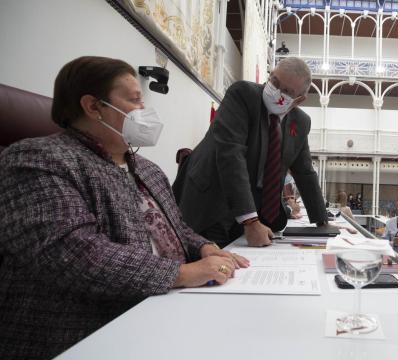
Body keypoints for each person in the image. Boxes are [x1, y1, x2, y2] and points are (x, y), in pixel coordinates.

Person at [0, 56, 250, 359]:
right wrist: (181, 273)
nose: (144, 110)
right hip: (87, 331)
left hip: (164, 308)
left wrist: (205, 248)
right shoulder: (38, 159)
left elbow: (176, 228)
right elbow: (73, 253)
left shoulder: (148, 169)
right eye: (134, 100)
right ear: (93, 107)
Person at [172, 57, 327, 248]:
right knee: (211, 265)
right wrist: (250, 221)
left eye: (287, 91)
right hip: (211, 201)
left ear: (299, 100)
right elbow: (231, 154)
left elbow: (305, 172)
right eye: (275, 82)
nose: (277, 91)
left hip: (252, 209)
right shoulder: (243, 95)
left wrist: (323, 222)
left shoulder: (300, 122)